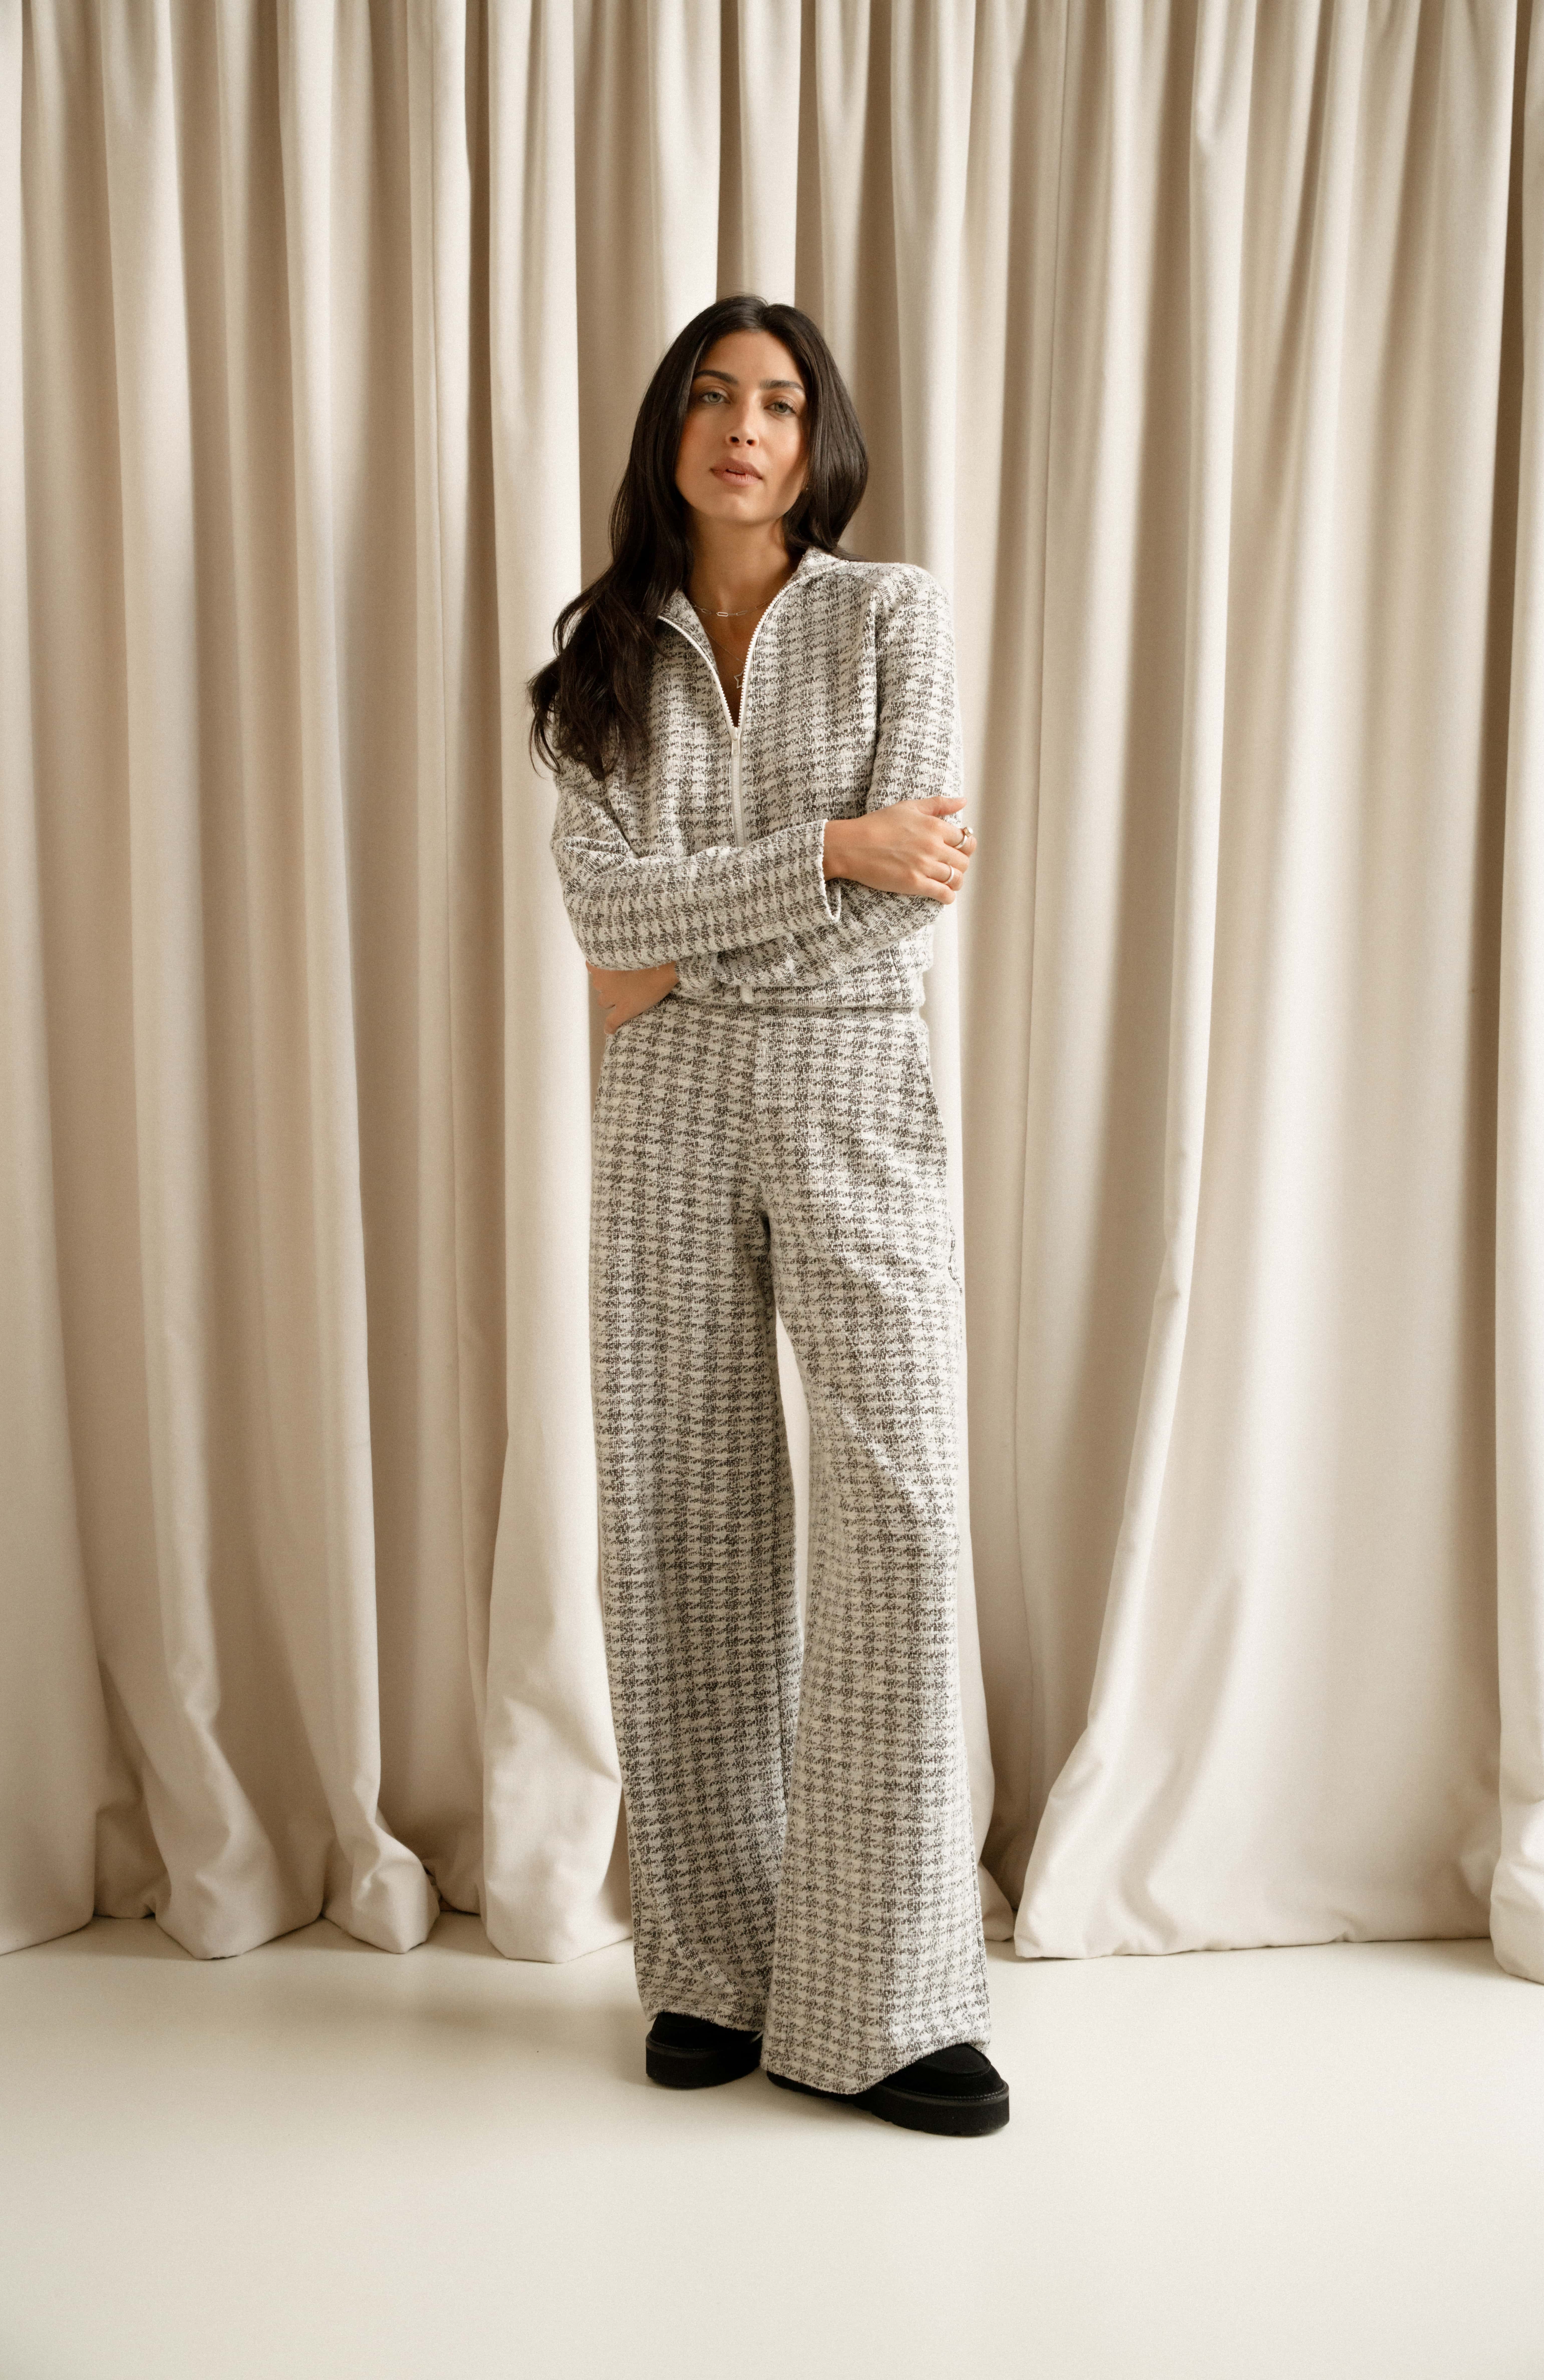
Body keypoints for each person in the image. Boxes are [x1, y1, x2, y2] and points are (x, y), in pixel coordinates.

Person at [528, 292, 1009, 2138]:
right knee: (683, 1507)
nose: (747, 427)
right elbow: (600, 914)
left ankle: (887, 1999)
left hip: (848, 1091)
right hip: (659, 1117)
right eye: (717, 397)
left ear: (821, 440)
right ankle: (715, 1973)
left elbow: (920, 891)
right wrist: (821, 846)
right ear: (671, 427)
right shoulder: (596, 665)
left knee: (896, 1498)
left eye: (782, 401)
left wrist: (690, 931)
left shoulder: (895, 616)